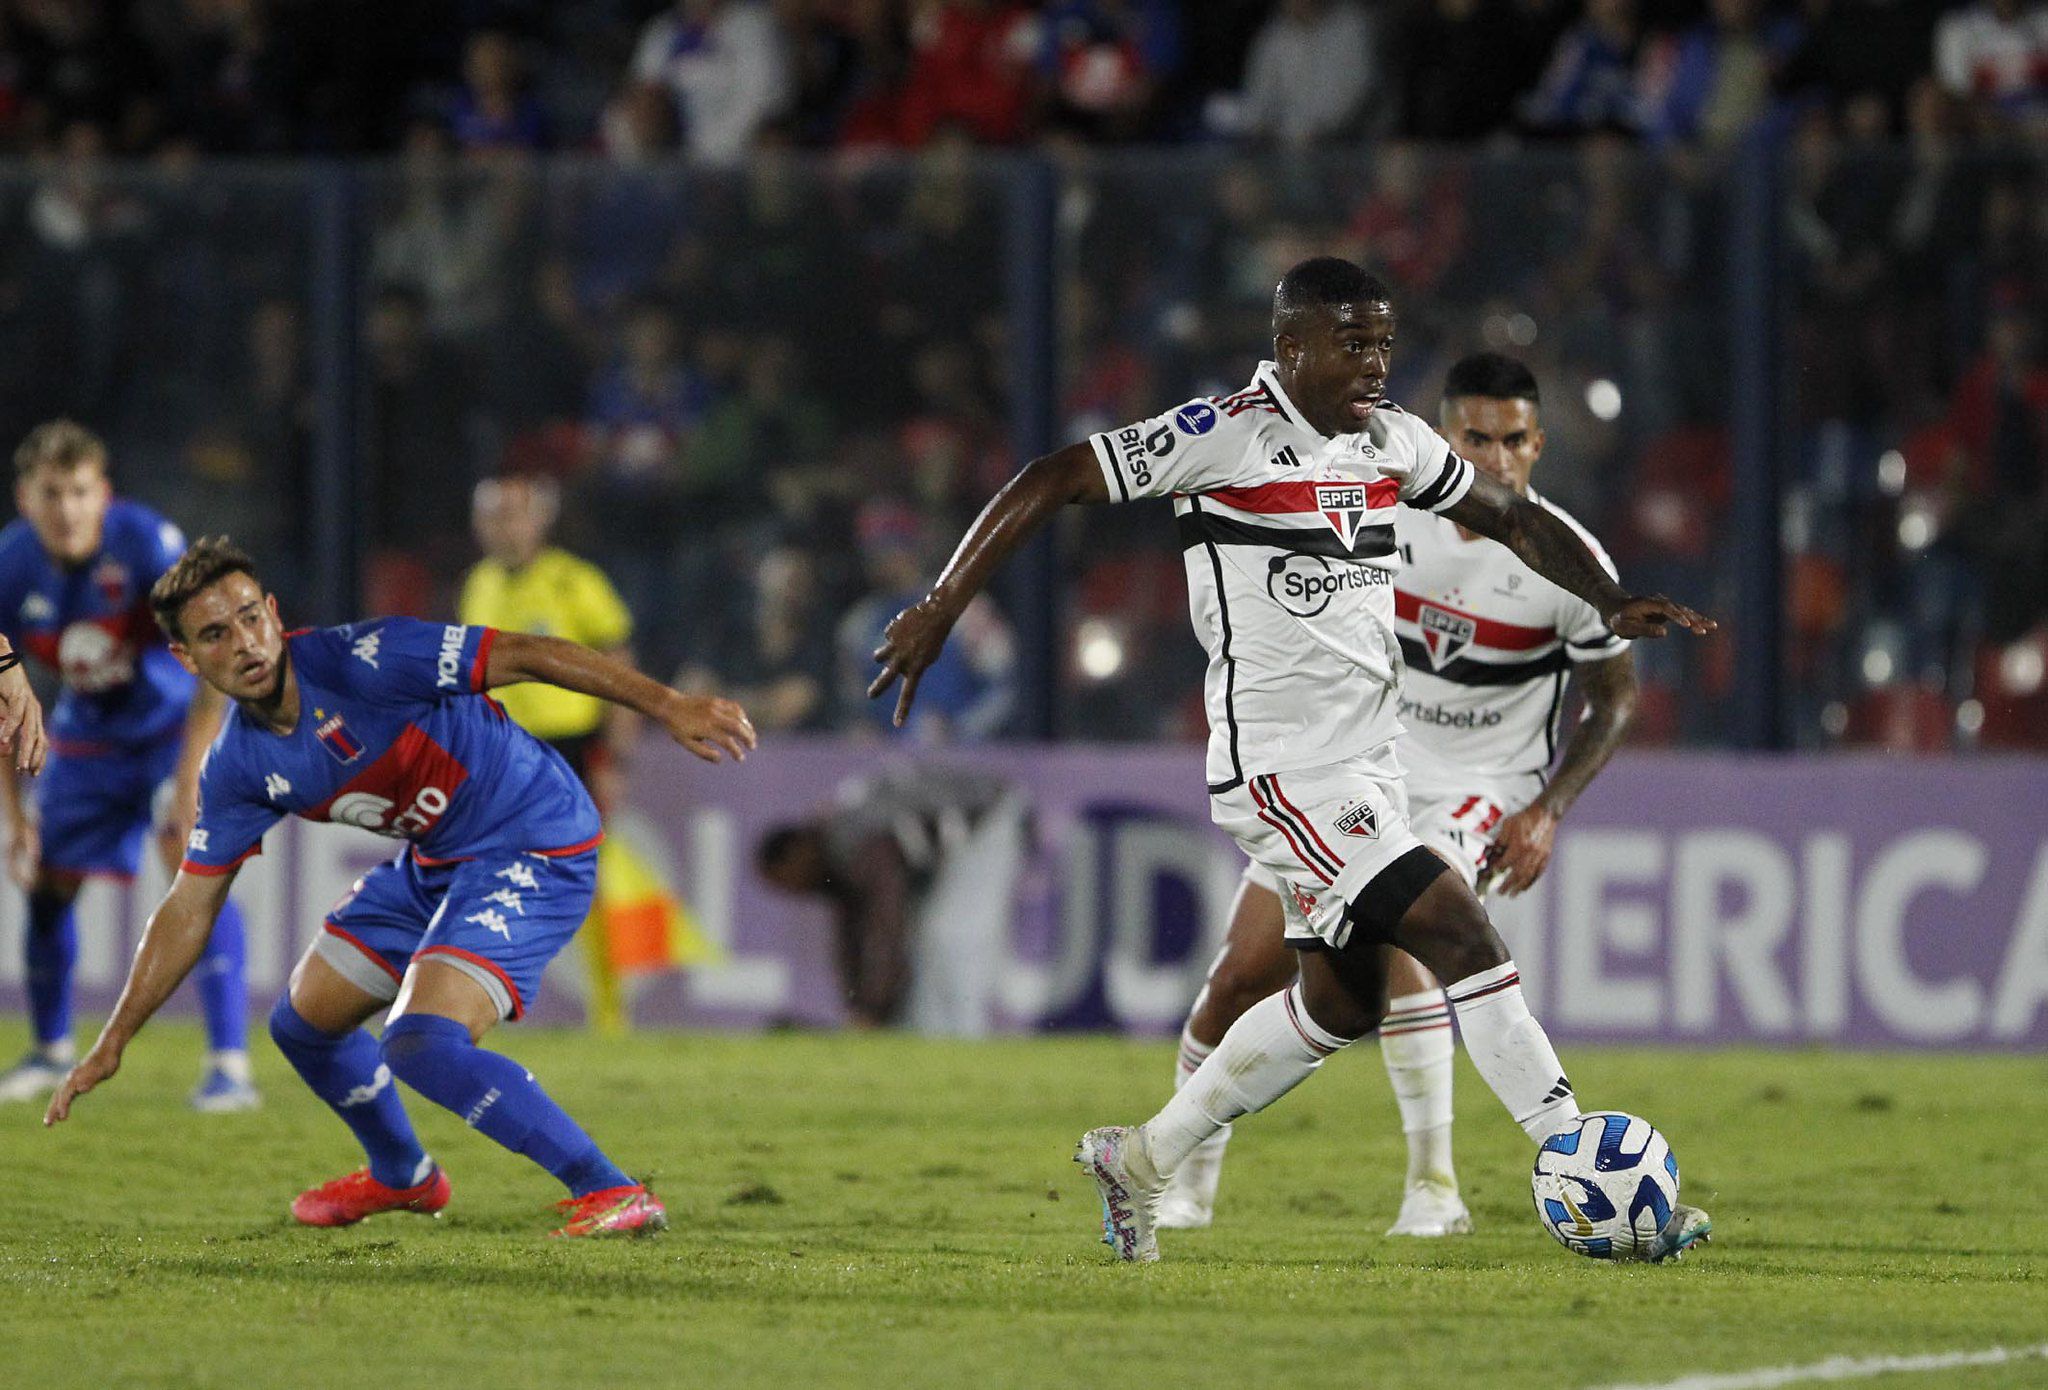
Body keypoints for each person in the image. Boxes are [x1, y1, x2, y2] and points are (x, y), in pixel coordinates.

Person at [870, 257, 1715, 1264]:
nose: (1373, 364)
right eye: (1352, 344)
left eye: (1383, 343)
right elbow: (1050, 478)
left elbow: (1508, 517)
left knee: (1340, 1001)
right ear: (1290, 348)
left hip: (1367, 768)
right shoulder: (1221, 437)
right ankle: (1583, 1165)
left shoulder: (1392, 441)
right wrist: (940, 603)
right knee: (1457, 932)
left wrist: (1608, 602)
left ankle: (1140, 1159)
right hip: (1282, 770)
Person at [43, 538, 757, 1239]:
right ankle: (403, 1174)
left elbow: (530, 654)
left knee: (420, 1043)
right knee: (303, 1023)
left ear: (273, 610)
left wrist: (667, 705)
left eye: (250, 619)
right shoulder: (238, 764)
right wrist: (113, 1041)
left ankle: (609, 1189)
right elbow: (189, 905)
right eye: (214, 634)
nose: (245, 644)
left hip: (533, 838)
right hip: (439, 861)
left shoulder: (370, 660)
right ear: (186, 658)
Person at [1154, 352, 1640, 1238]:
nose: (1495, 458)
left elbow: (1617, 697)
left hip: (1482, 793)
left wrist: (1548, 808)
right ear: (1445, 436)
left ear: (1540, 444)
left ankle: (1435, 1187)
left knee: (1419, 932)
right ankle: (1179, 1181)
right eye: (1476, 438)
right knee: (1241, 975)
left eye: (1514, 440)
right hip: (1352, 773)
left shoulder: (1564, 558)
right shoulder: (1377, 513)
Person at [0, 421, 257, 1112]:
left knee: (191, 867)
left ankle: (229, 1064)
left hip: (170, 728)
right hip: (87, 733)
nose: (67, 509)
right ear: (25, 498)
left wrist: (189, 776)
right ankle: (50, 1047)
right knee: (47, 875)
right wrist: (13, 813)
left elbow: (210, 659)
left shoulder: (147, 544)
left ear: (103, 493)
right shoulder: (10, 563)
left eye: (80, 491)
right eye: (51, 493)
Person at [756, 763, 1026, 1035]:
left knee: (947, 938)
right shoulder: (834, 855)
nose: (795, 891)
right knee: (928, 945)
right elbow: (853, 936)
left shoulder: (853, 842)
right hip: (947, 849)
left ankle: (969, 1043)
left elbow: (887, 922)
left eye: (787, 880)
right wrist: (859, 1007)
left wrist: (871, 1011)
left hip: (986, 819)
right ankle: (936, 1046)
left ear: (797, 854)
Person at [458, 475, 636, 791]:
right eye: (493, 518)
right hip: (501, 744)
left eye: (513, 517)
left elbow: (618, 662)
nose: (504, 529)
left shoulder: (574, 580)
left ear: (539, 520)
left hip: (569, 743)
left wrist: (614, 755)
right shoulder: (477, 584)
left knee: (573, 839)